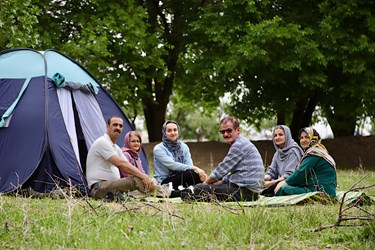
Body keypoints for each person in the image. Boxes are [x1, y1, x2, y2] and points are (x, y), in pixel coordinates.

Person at [192, 116, 264, 202]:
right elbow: (233, 174)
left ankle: (190, 194)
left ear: (238, 130)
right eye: (222, 132)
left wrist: (205, 184)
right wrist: (219, 183)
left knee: (199, 188)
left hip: (246, 193)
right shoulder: (242, 142)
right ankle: (190, 194)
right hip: (249, 191)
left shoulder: (238, 145)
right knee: (208, 187)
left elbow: (221, 171)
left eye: (229, 130)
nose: (225, 134)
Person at [86, 116, 157, 201]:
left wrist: (145, 178)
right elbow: (121, 164)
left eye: (120, 126)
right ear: (107, 126)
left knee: (137, 183)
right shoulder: (102, 142)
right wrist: (144, 176)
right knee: (134, 180)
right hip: (99, 188)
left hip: (112, 187)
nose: (118, 128)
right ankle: (167, 193)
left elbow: (128, 165)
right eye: (115, 125)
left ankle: (164, 191)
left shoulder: (116, 148)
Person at [274, 127, 337, 198]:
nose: (303, 140)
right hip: (321, 190)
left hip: (321, 192)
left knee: (283, 189)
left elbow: (300, 172)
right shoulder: (317, 152)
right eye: (301, 138)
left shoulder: (314, 154)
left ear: (314, 138)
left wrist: (285, 182)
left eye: (307, 137)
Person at [153, 120, 207, 196]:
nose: (173, 133)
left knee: (193, 174)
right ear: (164, 133)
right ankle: (183, 191)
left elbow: (188, 164)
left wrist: (196, 171)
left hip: (181, 177)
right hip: (165, 181)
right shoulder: (158, 149)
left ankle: (181, 191)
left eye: (175, 130)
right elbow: (172, 165)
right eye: (169, 130)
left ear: (178, 131)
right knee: (191, 174)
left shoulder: (184, 146)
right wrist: (196, 168)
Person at [261, 125, 303, 196]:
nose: (277, 138)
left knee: (276, 189)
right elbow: (272, 171)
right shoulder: (278, 153)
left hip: (292, 183)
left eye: (280, 135)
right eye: (275, 135)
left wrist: (271, 183)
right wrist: (263, 179)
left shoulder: (293, 151)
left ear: (287, 136)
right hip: (281, 181)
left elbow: (289, 175)